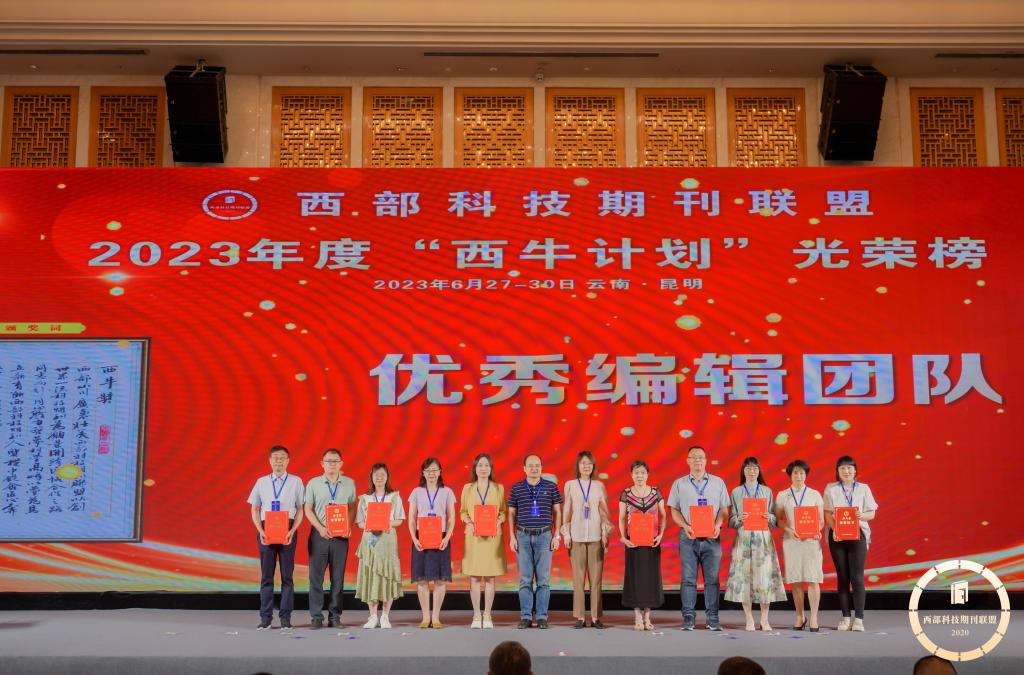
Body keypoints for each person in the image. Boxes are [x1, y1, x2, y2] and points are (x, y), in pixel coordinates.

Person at [667, 445, 730, 631]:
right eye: (693, 457)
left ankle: (713, 618)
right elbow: (674, 510)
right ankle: (688, 618)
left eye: (701, 457)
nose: (697, 460)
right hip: (688, 536)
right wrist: (684, 526)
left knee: (712, 580)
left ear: (706, 460)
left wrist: (718, 524)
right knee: (688, 579)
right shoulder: (679, 484)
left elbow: (724, 509)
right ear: (687, 460)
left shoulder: (718, 482)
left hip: (712, 537)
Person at [724, 456, 786, 631]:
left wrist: (769, 517)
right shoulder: (736, 492)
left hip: (763, 539)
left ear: (759, 472)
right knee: (744, 578)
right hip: (743, 539)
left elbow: (774, 519)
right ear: (743, 472)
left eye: (755, 468)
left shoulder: (767, 491)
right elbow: (731, 521)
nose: (752, 471)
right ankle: (749, 618)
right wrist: (739, 518)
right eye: (748, 468)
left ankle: (764, 619)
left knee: (764, 578)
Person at [247, 445, 305, 630]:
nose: (279, 461)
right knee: (267, 576)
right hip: (267, 530)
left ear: (288, 461)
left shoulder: (296, 481)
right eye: (275, 458)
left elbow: (301, 509)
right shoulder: (261, 482)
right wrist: (260, 530)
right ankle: (265, 618)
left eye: (282, 458)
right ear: (270, 461)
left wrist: (292, 530)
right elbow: (254, 508)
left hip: (288, 530)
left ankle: (286, 618)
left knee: (287, 577)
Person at [823, 455, 879, 632]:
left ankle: (859, 619)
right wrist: (836, 529)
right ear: (837, 471)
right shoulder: (831, 488)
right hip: (837, 536)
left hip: (858, 535)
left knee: (857, 577)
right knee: (843, 577)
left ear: (855, 471)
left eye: (849, 468)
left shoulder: (863, 488)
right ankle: (846, 618)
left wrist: (861, 515)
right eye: (842, 468)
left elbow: (872, 513)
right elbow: (827, 513)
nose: (846, 471)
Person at [303, 448, 357, 629]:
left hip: (340, 537)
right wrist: (320, 528)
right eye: (329, 461)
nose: (332, 464)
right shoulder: (313, 483)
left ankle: (335, 617)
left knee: (338, 578)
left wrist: (348, 525)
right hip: (319, 535)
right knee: (315, 578)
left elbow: (352, 507)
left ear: (341, 463)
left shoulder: (349, 483)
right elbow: (307, 509)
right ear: (322, 463)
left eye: (335, 461)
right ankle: (316, 617)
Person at [508, 453, 563, 629]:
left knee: (543, 580)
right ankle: (525, 616)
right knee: (525, 579)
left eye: (537, 465)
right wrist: (512, 537)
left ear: (542, 468)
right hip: (522, 537)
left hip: (545, 536)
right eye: (530, 465)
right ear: (524, 468)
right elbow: (511, 514)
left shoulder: (551, 487)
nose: (534, 468)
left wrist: (556, 535)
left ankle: (541, 617)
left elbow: (557, 512)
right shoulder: (516, 488)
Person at [561, 451, 611, 629]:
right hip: (576, 536)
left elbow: (604, 512)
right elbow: (567, 511)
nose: (586, 466)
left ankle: (596, 617)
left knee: (596, 580)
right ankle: (580, 616)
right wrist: (566, 533)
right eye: (583, 463)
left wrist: (604, 532)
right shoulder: (570, 485)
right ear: (578, 466)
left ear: (593, 466)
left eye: (589, 463)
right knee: (578, 579)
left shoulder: (599, 486)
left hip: (596, 537)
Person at [774, 459, 824, 631]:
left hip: (811, 542)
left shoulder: (814, 494)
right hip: (792, 541)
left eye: (802, 472)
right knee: (795, 580)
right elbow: (778, 520)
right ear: (790, 475)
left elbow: (821, 520)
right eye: (795, 472)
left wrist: (817, 530)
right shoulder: (783, 495)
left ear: (806, 475)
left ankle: (814, 617)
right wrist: (788, 530)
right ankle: (800, 616)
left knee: (813, 579)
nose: (799, 476)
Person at [354, 463, 405, 629]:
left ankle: (385, 616)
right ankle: (372, 616)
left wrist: (387, 523)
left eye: (383, 474)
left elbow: (399, 520)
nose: (379, 477)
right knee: (371, 576)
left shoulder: (394, 497)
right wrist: (368, 526)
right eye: (376, 474)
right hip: (370, 541)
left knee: (387, 576)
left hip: (387, 541)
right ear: (372, 477)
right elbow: (359, 522)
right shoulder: (365, 498)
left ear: (387, 477)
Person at [459, 453, 507, 629]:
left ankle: (487, 615)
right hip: (474, 537)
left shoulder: (498, 488)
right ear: (475, 468)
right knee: (474, 577)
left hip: (492, 538)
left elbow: (503, 512)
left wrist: (498, 521)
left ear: (491, 468)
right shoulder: (467, 488)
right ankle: (476, 615)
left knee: (490, 577)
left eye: (486, 465)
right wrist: (469, 522)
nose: (483, 468)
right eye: (480, 465)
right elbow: (463, 511)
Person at [408, 457, 456, 628]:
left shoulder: (447, 492)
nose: (431, 474)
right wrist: (414, 538)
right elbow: (412, 518)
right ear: (423, 473)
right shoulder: (416, 492)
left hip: (441, 538)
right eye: (428, 470)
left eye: (434, 470)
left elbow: (451, 518)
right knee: (422, 580)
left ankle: (435, 617)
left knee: (440, 580)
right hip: (421, 538)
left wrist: (447, 537)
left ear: (440, 472)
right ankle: (425, 617)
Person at [618, 459, 666, 631]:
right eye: (636, 472)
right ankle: (637, 617)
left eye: (643, 472)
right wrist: (623, 538)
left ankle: (647, 617)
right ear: (631, 475)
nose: (640, 475)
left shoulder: (656, 492)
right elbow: (621, 518)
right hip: (633, 543)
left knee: (650, 579)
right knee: (635, 580)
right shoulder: (626, 493)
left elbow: (663, 515)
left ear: (647, 474)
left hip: (652, 543)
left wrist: (660, 534)